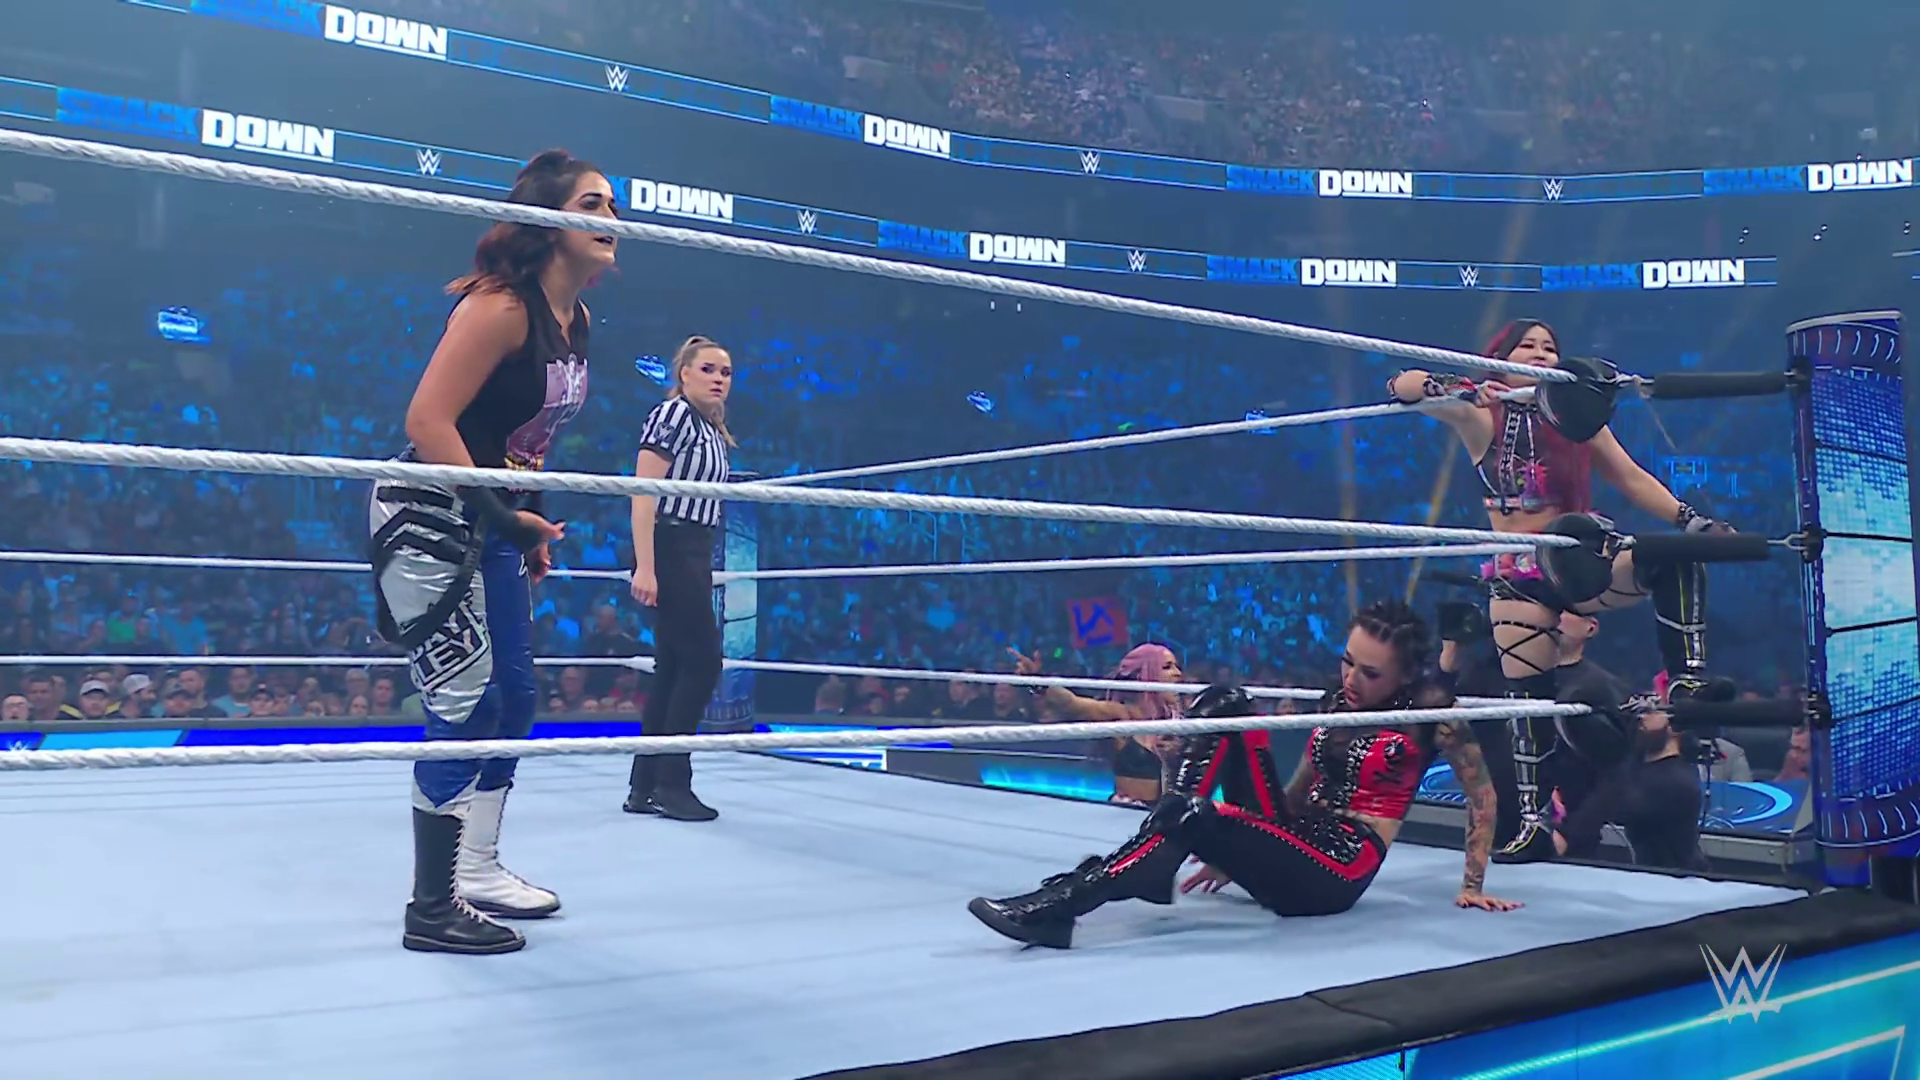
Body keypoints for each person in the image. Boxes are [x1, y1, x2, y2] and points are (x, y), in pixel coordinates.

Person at [369, 149, 615, 955]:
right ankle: (430, 908)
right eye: (592, 204)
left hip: (493, 518)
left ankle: (474, 868)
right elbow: (427, 421)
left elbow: (530, 438)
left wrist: (527, 517)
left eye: (613, 206)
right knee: (465, 706)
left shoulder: (575, 322)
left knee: (516, 700)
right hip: (429, 515)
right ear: (548, 219)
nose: (611, 219)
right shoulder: (500, 308)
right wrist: (504, 518)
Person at [968, 601, 1517, 950]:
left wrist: (1472, 886)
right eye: (1347, 661)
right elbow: (1299, 787)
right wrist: (1247, 845)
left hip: (1340, 866)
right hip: (1297, 839)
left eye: (1370, 673)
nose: (1351, 678)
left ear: (1403, 676)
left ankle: (1067, 903)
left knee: (1193, 813)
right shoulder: (1337, 702)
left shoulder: (1430, 714)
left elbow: (1482, 795)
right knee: (1226, 701)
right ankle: (1164, 845)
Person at [1389, 319, 1733, 861]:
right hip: (1519, 575)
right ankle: (1533, 826)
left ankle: (1687, 681)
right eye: (1527, 346)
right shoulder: (1481, 413)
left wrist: (1693, 521)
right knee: (1529, 703)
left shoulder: (1578, 417)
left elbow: (1631, 477)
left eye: (1550, 348)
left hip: (1580, 561)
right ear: (1502, 357)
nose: (1541, 354)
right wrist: (1455, 386)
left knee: (1675, 556)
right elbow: (1402, 385)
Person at [622, 336, 736, 822]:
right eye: (708, 369)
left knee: (672, 667)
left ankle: (645, 785)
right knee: (704, 661)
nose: (718, 379)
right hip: (671, 544)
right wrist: (645, 565)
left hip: (693, 548)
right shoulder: (673, 415)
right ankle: (672, 783)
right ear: (684, 374)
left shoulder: (709, 428)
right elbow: (643, 493)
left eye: (725, 372)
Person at [1551, 676, 1710, 870]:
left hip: (1678, 878)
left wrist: (1565, 834)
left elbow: (1606, 805)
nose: (1641, 718)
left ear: (1674, 727)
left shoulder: (1676, 780)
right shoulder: (1640, 766)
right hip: (1650, 873)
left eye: (1652, 711)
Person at [1012, 642, 1185, 806]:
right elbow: (1072, 704)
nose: (1177, 673)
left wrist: (1179, 753)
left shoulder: (1177, 723)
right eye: (1167, 667)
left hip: (1168, 814)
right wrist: (1037, 680)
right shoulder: (1122, 715)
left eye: (1176, 666)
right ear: (1143, 675)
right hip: (1130, 813)